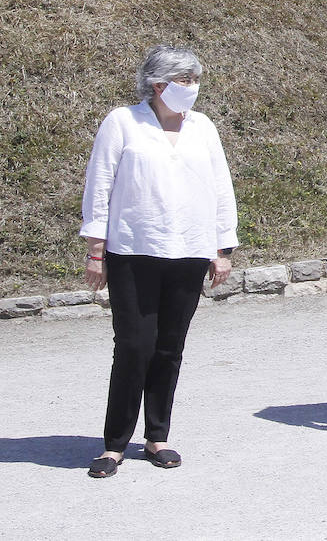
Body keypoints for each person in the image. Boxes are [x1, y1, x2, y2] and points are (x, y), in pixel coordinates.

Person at [81, 45, 237, 478]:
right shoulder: (123, 122)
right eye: (184, 80)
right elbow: (99, 186)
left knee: (169, 348)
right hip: (133, 252)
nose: (192, 88)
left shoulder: (203, 128)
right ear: (158, 85)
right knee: (134, 346)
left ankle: (157, 437)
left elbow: (221, 188)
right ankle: (114, 445)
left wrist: (221, 249)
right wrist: (96, 250)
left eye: (194, 80)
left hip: (189, 251)